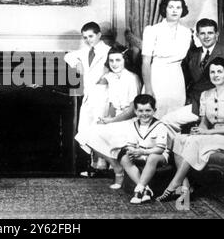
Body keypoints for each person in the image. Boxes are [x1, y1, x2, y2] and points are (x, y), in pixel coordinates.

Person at [157, 57, 224, 202]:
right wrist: (199, 131)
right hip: (210, 136)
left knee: (195, 143)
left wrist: (207, 133)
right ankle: (185, 187)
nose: (216, 75)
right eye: (212, 72)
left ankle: (173, 185)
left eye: (219, 71)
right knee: (179, 139)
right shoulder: (206, 95)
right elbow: (204, 123)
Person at [84, 45, 141, 186]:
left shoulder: (132, 78)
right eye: (111, 61)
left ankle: (118, 173)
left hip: (131, 120)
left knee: (99, 134)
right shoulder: (110, 77)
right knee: (87, 135)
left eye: (118, 60)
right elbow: (110, 103)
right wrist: (106, 119)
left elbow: (133, 110)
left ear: (125, 61)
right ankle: (117, 167)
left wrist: (112, 121)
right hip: (117, 118)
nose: (114, 64)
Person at [64, 22, 111, 175]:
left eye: (91, 36)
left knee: (100, 131)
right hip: (89, 96)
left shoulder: (109, 51)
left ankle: (103, 166)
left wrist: (105, 77)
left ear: (99, 35)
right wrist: (76, 63)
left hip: (104, 95)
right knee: (86, 129)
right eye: (85, 37)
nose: (88, 40)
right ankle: (94, 165)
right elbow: (68, 55)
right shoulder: (85, 51)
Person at [182, 18, 224, 113]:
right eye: (202, 33)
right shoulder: (192, 54)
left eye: (210, 33)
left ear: (217, 34)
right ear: (197, 35)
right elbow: (184, 81)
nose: (206, 37)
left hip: (222, 105)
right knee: (169, 119)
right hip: (195, 104)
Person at [142, 0, 192, 118]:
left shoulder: (186, 32)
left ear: (182, 10)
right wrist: (148, 88)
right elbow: (146, 62)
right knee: (155, 113)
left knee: (175, 115)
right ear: (165, 9)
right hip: (157, 76)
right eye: (171, 7)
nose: (175, 11)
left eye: (178, 7)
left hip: (176, 77)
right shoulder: (152, 30)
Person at [118, 94, 170, 204]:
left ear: (154, 110)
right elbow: (131, 144)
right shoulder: (134, 125)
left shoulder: (160, 125)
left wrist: (143, 152)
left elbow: (160, 149)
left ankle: (139, 189)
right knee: (123, 155)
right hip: (141, 154)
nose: (144, 114)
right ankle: (146, 190)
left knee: (152, 157)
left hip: (158, 156)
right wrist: (132, 151)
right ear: (135, 111)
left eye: (148, 110)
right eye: (140, 111)